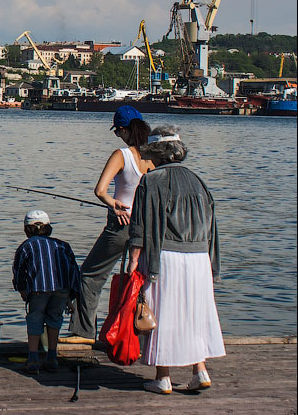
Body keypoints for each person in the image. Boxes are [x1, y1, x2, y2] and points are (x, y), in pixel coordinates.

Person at [127, 126, 225, 395]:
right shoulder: (198, 181)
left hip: (165, 257)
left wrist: (133, 261)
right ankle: (199, 370)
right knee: (194, 313)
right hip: (198, 258)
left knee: (163, 314)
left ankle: (163, 377)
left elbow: (141, 225)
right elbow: (212, 226)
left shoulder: (151, 180)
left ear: (157, 155)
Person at [63, 106, 154, 344]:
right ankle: (144, 336)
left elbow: (99, 191)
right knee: (143, 279)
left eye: (117, 131)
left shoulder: (121, 155)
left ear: (124, 130)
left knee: (90, 277)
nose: (117, 136)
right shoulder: (154, 155)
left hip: (121, 225)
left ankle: (83, 333)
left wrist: (113, 204)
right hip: (148, 227)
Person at [12, 210, 82, 374]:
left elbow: (19, 270)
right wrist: (70, 297)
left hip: (38, 288)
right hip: (62, 288)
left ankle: (33, 359)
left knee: (35, 319)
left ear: (27, 229)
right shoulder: (63, 245)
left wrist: (22, 289)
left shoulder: (26, 246)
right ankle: (52, 357)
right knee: (55, 318)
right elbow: (73, 271)